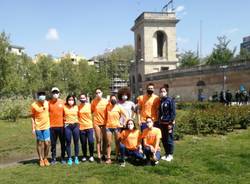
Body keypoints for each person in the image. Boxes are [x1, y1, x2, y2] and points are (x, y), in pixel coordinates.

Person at [105, 94, 127, 164]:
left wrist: (124, 123)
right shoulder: (107, 107)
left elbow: (125, 116)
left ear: (116, 100)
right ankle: (108, 158)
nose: (113, 100)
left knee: (117, 143)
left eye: (114, 99)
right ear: (110, 100)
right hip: (108, 127)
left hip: (117, 127)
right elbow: (105, 116)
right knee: (108, 143)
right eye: (112, 99)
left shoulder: (119, 107)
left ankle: (117, 157)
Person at [31, 90, 51, 167]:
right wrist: (33, 128)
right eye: (40, 94)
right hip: (38, 127)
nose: (42, 96)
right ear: (38, 96)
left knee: (47, 143)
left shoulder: (47, 103)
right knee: (40, 143)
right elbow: (32, 117)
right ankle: (41, 159)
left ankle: (45, 158)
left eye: (43, 94)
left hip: (47, 126)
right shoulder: (34, 105)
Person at [48, 87, 66, 164]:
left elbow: (66, 113)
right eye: (54, 92)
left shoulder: (63, 102)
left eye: (56, 92)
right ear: (51, 94)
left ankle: (62, 157)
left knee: (62, 143)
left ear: (59, 93)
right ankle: (53, 158)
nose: (55, 94)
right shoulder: (49, 103)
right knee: (53, 143)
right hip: (52, 127)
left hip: (62, 126)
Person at [159, 86, 176, 162]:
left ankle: (170, 154)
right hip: (162, 123)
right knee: (164, 139)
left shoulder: (170, 100)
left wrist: (171, 122)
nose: (162, 93)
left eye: (164, 91)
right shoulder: (161, 101)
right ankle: (166, 153)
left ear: (166, 92)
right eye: (161, 91)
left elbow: (173, 112)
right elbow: (160, 112)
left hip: (169, 123)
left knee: (169, 139)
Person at [91, 88, 108, 163]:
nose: (98, 94)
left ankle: (104, 155)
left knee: (105, 140)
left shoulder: (106, 101)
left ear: (102, 93)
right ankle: (98, 156)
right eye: (96, 93)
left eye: (99, 92)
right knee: (98, 140)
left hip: (105, 123)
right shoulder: (93, 102)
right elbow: (91, 111)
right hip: (96, 123)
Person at [78, 93, 94, 162]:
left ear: (86, 98)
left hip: (89, 127)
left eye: (83, 98)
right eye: (81, 98)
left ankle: (91, 156)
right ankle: (84, 156)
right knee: (83, 143)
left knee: (91, 142)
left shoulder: (90, 106)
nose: (82, 99)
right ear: (79, 99)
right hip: (81, 128)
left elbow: (93, 112)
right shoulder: (78, 107)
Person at [64, 94, 80, 165]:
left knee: (76, 142)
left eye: (72, 100)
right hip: (67, 126)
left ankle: (76, 157)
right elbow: (61, 116)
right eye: (69, 100)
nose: (71, 101)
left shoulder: (77, 107)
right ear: (67, 100)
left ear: (74, 100)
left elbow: (80, 116)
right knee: (68, 142)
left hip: (75, 126)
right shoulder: (64, 107)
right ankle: (69, 158)